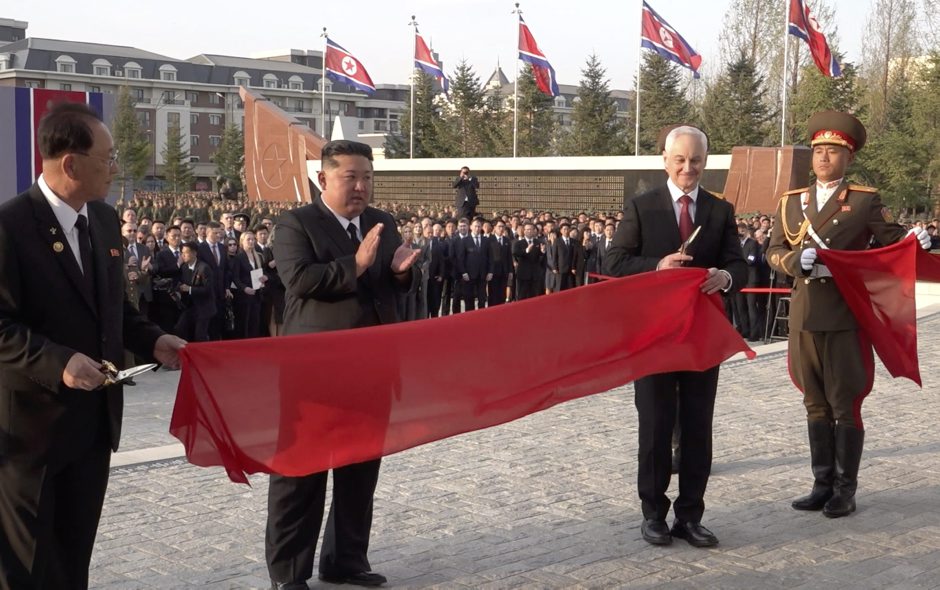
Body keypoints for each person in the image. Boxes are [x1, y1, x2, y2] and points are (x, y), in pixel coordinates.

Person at [0, 102, 185, 590]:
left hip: (94, 425)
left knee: (74, 557)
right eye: (108, 158)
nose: (115, 168)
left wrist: (154, 340)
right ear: (71, 163)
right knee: (28, 567)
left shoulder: (102, 219)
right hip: (32, 433)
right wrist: (58, 361)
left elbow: (114, 308)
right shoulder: (10, 226)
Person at [266, 140, 420, 589]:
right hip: (314, 372)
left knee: (360, 471)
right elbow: (299, 280)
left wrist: (401, 272)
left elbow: (390, 287)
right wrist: (356, 263)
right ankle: (289, 573)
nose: (360, 187)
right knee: (302, 474)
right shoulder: (297, 223)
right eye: (350, 177)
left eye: (367, 177)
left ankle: (345, 561)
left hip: (372, 368)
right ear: (323, 179)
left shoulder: (381, 222)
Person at [766, 111, 931, 518]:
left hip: (844, 315)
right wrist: (792, 261)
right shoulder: (791, 202)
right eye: (818, 150)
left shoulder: (863, 200)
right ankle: (821, 484)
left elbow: (894, 242)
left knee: (845, 403)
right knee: (814, 402)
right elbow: (774, 250)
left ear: (849, 157)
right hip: (805, 315)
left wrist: (919, 240)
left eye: (833, 151)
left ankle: (845, 489)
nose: (823, 157)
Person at [603, 125, 746, 548]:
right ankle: (653, 514)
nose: (688, 168)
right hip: (653, 337)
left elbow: (738, 264)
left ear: (706, 161)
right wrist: (657, 267)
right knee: (655, 425)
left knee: (698, 427)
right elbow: (614, 261)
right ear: (665, 160)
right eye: (680, 159)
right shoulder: (642, 206)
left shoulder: (720, 210)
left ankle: (690, 515)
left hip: (701, 335)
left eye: (696, 160)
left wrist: (724, 277)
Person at [174, 242, 215, 342]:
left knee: (200, 335)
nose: (183, 255)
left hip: (203, 307)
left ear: (194, 253)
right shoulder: (184, 267)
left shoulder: (204, 268)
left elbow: (208, 289)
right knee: (179, 329)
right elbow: (181, 282)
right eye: (182, 253)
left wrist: (190, 289)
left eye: (186, 252)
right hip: (189, 307)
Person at [512, 221, 545, 300]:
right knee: (522, 297)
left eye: (530, 229)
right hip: (523, 274)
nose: (529, 231)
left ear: (534, 231)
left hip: (535, 275)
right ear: (524, 231)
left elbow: (540, 257)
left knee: (534, 298)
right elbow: (516, 253)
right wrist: (526, 250)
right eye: (527, 229)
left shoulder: (539, 242)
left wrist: (542, 252)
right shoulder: (518, 243)